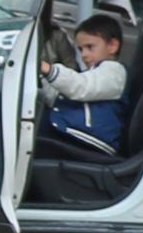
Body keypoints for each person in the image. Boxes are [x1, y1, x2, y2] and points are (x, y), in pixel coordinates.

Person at [43, 13, 130, 149]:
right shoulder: (94, 74)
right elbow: (57, 96)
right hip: (72, 130)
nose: (83, 55)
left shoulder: (114, 72)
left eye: (90, 47)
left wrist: (47, 68)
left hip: (94, 140)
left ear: (112, 46)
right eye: (80, 49)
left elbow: (81, 87)